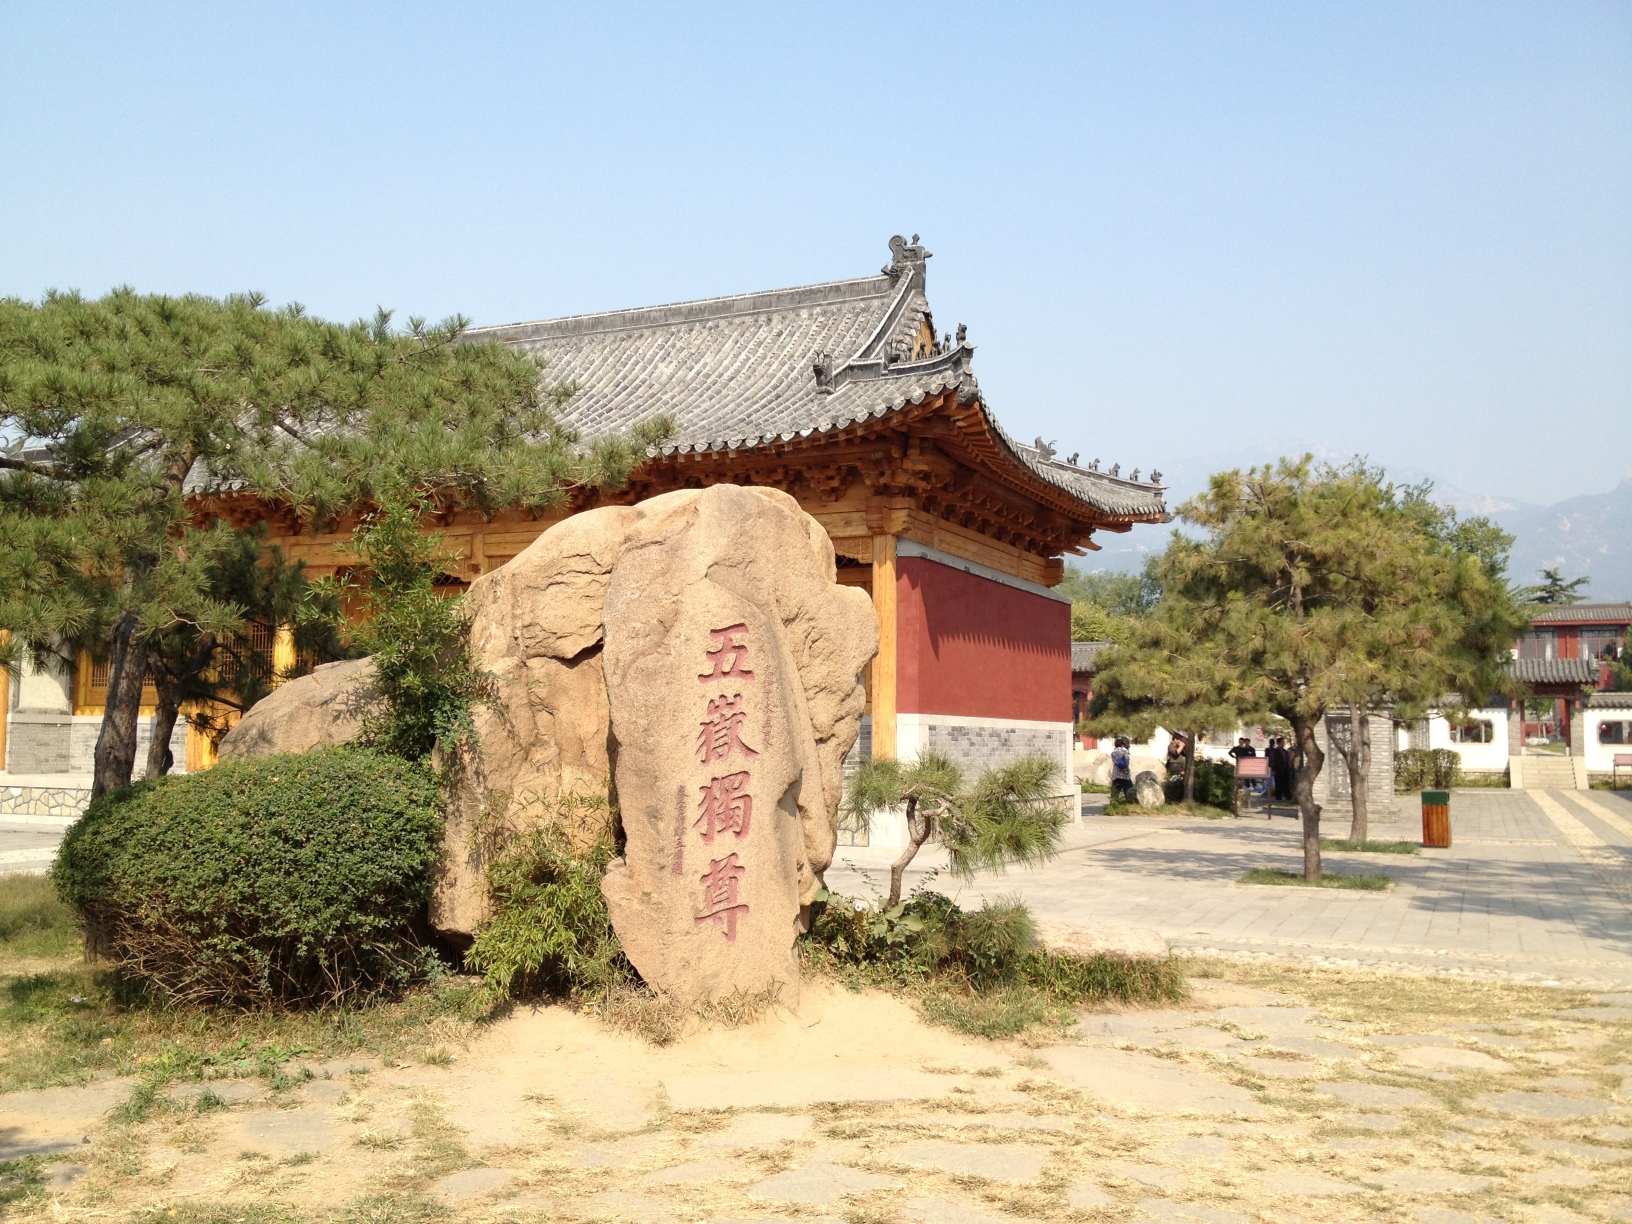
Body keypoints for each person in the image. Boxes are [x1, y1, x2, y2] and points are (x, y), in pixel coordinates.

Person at [1267, 736, 1293, 802]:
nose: (1283, 744)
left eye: (1283, 742)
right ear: (1278, 743)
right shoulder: (1274, 751)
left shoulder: (1285, 751)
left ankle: (1288, 797)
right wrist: (1272, 770)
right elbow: (1272, 761)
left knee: (1286, 784)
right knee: (1278, 784)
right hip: (1278, 770)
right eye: (1282, 742)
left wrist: (1289, 769)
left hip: (1285, 770)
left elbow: (1287, 761)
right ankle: (1278, 797)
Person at [1110, 736, 1134, 803]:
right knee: (1129, 791)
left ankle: (1113, 805)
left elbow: (1115, 762)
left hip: (1116, 775)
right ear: (1123, 744)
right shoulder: (1124, 751)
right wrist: (1125, 767)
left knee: (1115, 792)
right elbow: (1127, 761)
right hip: (1124, 775)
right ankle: (1129, 804)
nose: (1129, 746)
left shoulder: (1113, 752)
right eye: (1127, 744)